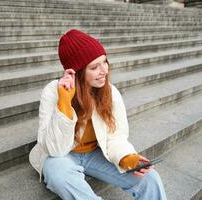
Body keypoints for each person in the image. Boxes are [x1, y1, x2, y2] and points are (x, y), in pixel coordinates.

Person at [29, 29, 167, 200]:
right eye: (94, 67)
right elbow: (54, 150)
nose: (104, 71)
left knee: (149, 178)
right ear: (77, 72)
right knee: (59, 176)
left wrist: (127, 158)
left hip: (96, 153)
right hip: (63, 156)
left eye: (105, 62)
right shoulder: (52, 92)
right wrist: (64, 102)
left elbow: (116, 135)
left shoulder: (109, 91)